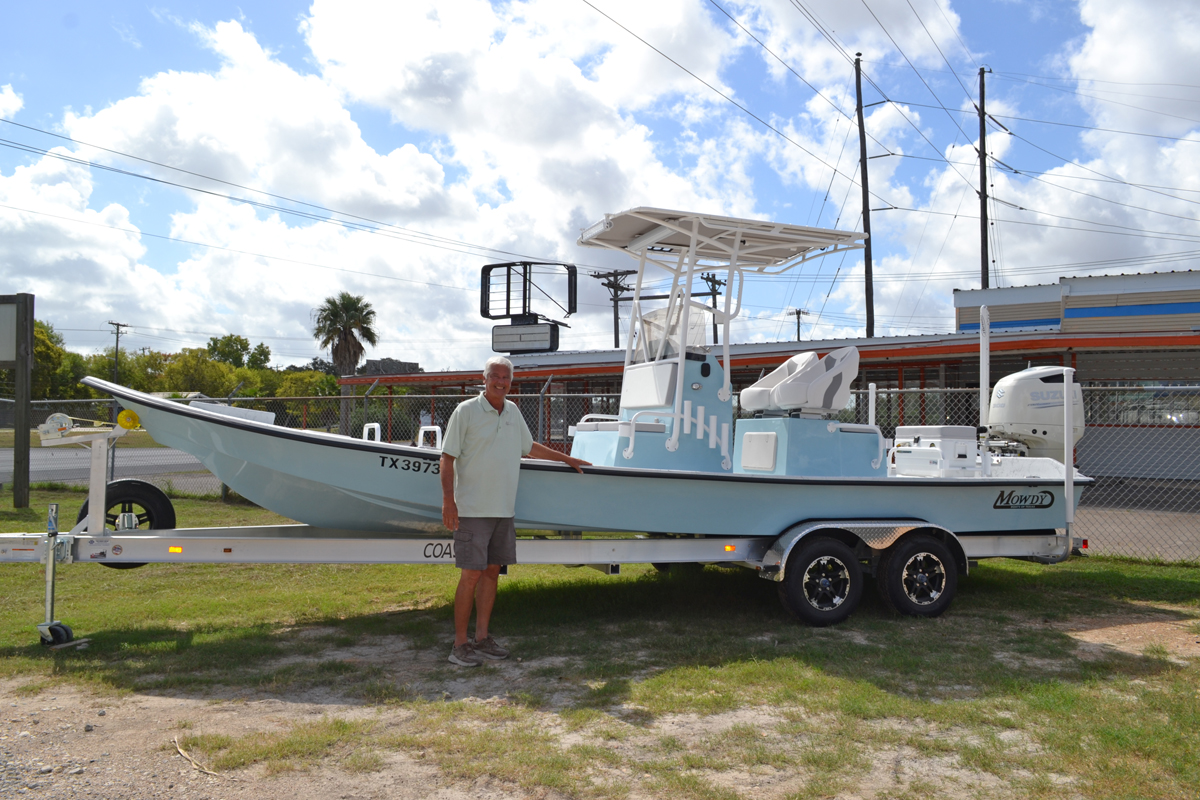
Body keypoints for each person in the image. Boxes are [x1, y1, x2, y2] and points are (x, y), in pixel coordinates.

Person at [440, 356, 589, 667]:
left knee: (492, 573)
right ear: (484, 379)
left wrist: (567, 459)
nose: (501, 382)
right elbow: (447, 458)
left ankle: (482, 638)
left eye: (506, 377)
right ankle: (459, 645)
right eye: (495, 376)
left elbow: (529, 446)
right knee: (470, 576)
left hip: (503, 510)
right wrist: (448, 501)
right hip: (472, 509)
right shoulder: (465, 411)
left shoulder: (513, 411)